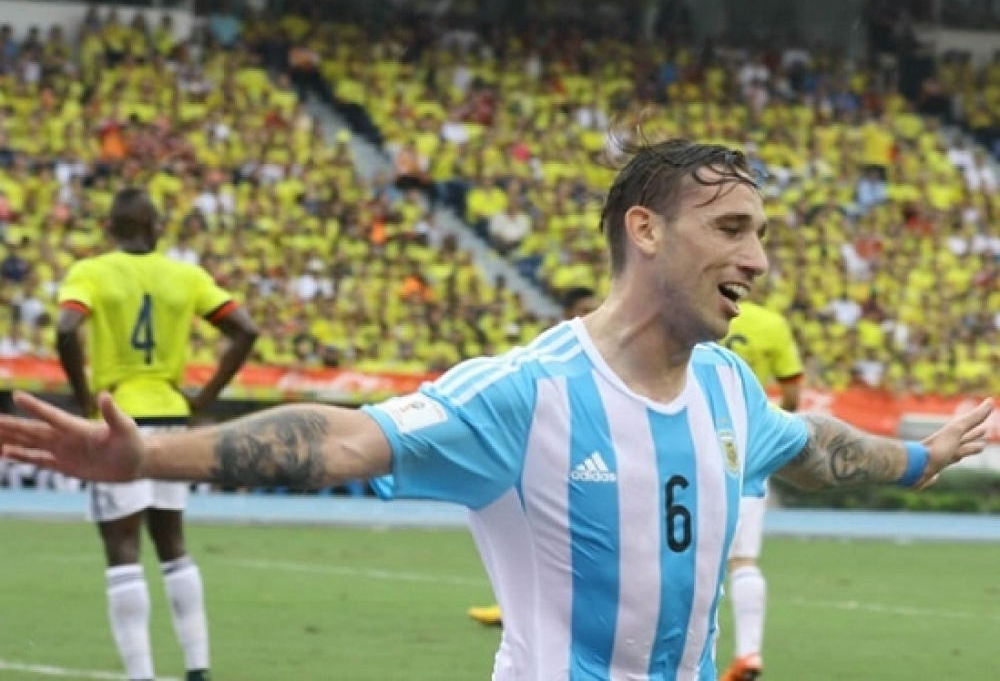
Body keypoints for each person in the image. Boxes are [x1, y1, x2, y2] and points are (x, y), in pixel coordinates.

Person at [0, 138, 991, 681]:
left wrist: (920, 459)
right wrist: (150, 457)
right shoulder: (529, 389)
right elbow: (346, 438)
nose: (758, 259)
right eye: (732, 228)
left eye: (761, 234)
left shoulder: (729, 385)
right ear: (644, 231)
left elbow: (810, 445)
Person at [53, 188, 258, 681]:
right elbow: (245, 330)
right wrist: (203, 399)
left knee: (123, 551)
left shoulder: (91, 272)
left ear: (110, 228)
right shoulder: (185, 275)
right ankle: (198, 668)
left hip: (119, 417)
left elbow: (65, 329)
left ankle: (141, 675)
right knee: (173, 543)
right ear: (156, 227)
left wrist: (84, 399)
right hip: (171, 417)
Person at [466, 285, 601, 628]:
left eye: (595, 307)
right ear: (568, 313)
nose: (592, 315)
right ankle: (515, 604)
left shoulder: (606, 357)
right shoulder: (546, 355)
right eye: (585, 308)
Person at [719, 300, 803, 681]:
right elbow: (793, 395)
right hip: (748, 446)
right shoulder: (771, 323)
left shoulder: (692, 313)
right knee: (743, 560)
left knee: (683, 554)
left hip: (690, 439)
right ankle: (748, 653)